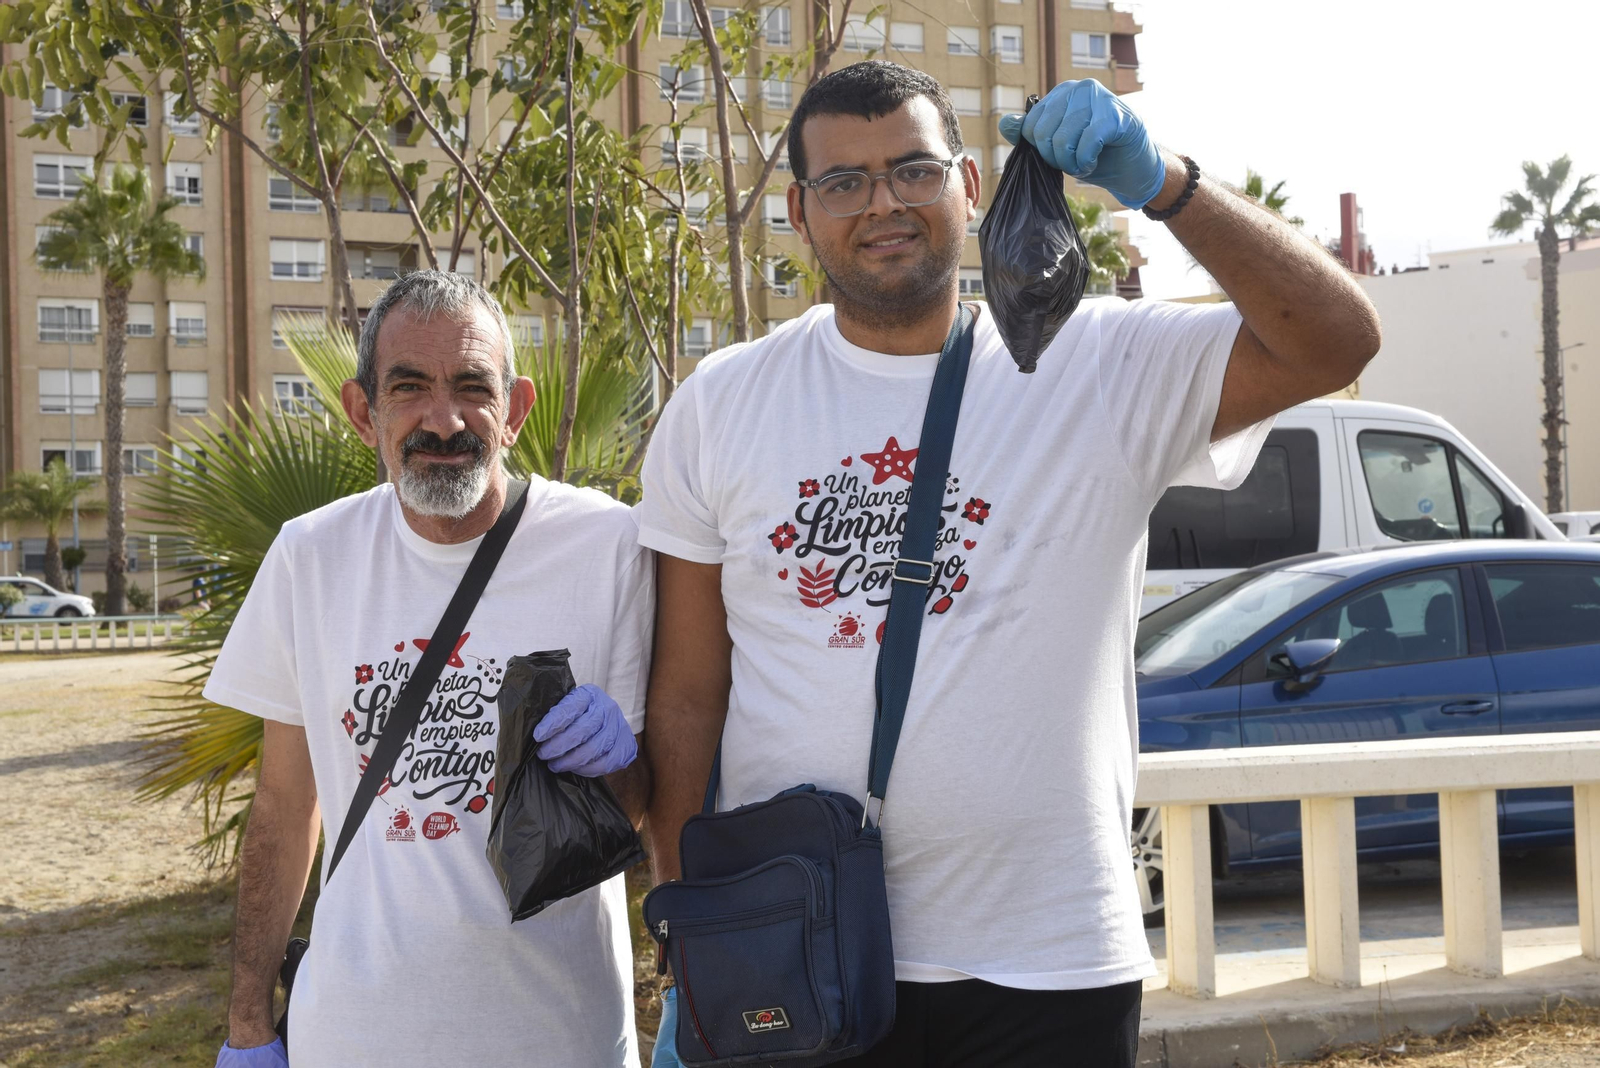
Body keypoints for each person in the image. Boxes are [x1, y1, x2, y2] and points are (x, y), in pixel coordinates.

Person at [640, 62, 1379, 1067]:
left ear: (970, 185)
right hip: (794, 945)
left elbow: (1334, 341)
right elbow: (687, 694)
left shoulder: (1098, 366)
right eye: (843, 182)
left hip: (1049, 955)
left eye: (912, 168)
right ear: (797, 212)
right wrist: (684, 906)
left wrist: (1164, 182)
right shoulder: (721, 404)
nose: (883, 202)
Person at [206, 271, 653, 1068]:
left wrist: (625, 760)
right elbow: (281, 807)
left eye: (471, 387)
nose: (442, 419)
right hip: (350, 1035)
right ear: (361, 410)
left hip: (558, 1035)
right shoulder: (310, 557)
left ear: (514, 410)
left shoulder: (608, 545)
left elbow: (648, 805)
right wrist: (248, 1024)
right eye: (408, 387)